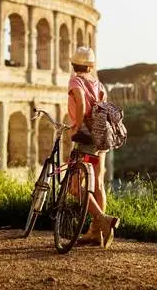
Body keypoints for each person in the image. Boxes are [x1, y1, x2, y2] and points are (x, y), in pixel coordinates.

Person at [67, 46, 120, 248]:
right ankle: (95, 232)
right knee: (97, 183)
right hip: (101, 138)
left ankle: (103, 219)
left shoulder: (75, 81)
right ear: (91, 66)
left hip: (87, 139)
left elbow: (80, 103)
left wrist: (77, 126)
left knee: (74, 186)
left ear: (73, 64)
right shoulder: (99, 85)